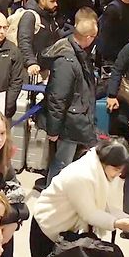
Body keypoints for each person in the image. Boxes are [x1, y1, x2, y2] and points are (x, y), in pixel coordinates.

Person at [43, 13, 99, 185]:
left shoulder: (76, 54)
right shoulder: (67, 60)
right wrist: (53, 130)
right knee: (62, 165)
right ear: (88, 37)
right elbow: (57, 97)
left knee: (66, 165)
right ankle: (51, 197)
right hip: (69, 123)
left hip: (75, 119)